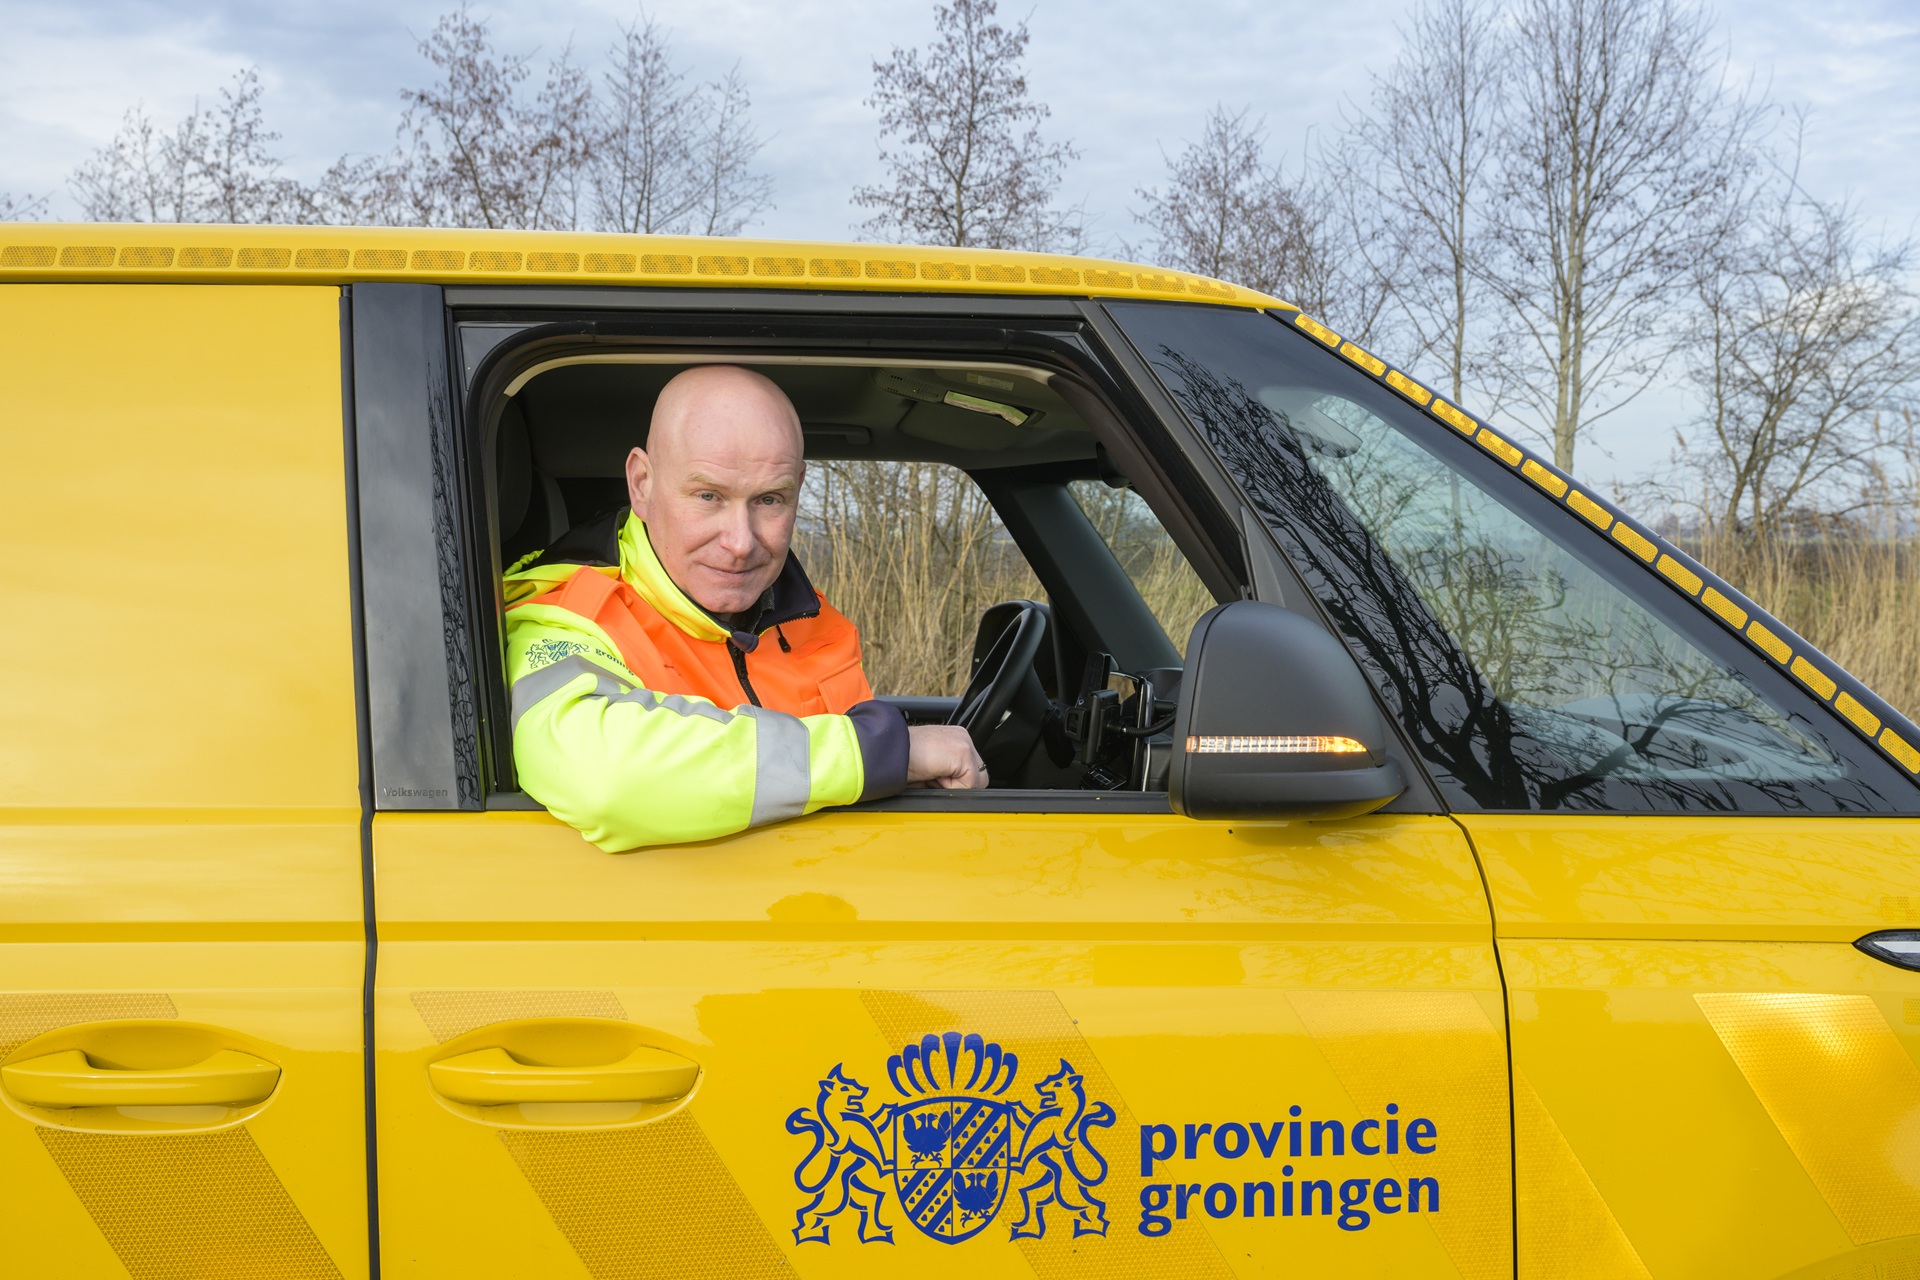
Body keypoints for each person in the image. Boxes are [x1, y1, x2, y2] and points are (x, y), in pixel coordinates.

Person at [503, 364, 987, 852]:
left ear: (798, 485)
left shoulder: (817, 624)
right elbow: (605, 779)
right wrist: (884, 753)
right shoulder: (564, 619)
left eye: (770, 500)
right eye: (709, 496)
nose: (740, 543)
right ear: (642, 484)